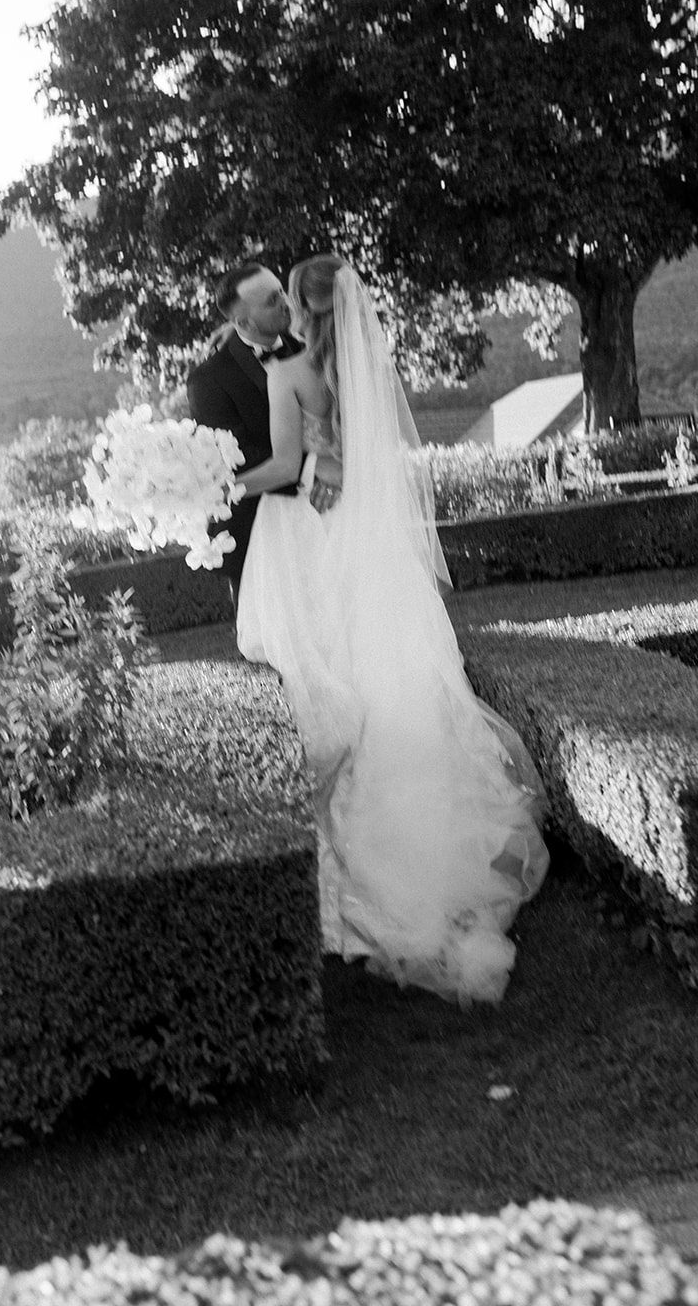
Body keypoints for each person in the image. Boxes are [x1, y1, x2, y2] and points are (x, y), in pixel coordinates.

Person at [233, 254, 549, 1005]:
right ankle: (433, 841)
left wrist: (216, 478)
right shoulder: (359, 373)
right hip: (369, 547)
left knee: (327, 680)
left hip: (311, 542)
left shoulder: (286, 376)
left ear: (299, 311)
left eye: (283, 298)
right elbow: (349, 462)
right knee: (391, 679)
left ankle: (360, 863)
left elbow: (284, 464)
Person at [186, 259, 341, 602]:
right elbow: (234, 456)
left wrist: (335, 471)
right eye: (272, 300)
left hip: (326, 517)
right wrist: (315, 469)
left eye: (282, 292)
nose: (286, 302)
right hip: (255, 532)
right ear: (242, 321)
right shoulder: (209, 380)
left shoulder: (313, 347)